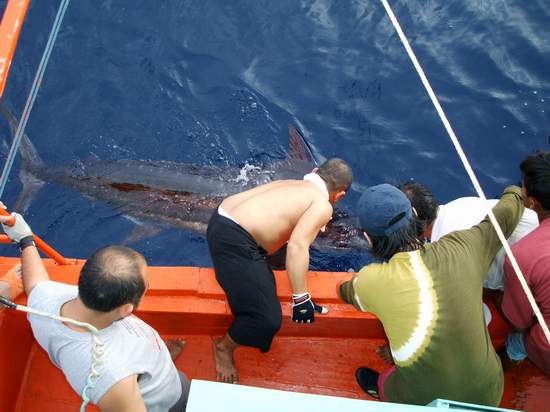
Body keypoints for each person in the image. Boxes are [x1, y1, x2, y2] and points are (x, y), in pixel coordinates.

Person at [338, 183, 524, 406]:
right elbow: (506, 214)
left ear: (368, 239)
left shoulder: (371, 281)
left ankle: (383, 390)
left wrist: (348, 284)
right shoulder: (463, 246)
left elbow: (345, 290)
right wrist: (515, 190)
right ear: (415, 215)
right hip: (490, 391)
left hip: (428, 399)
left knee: (389, 381)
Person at [0, 206, 189, 412]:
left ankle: (149, 366)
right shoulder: (114, 378)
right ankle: (148, 373)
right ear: (126, 309)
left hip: (148, 368)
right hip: (165, 400)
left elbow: (35, 282)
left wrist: (25, 239)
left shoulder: (45, 300)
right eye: (146, 287)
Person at [207, 158, 352, 383]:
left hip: (221, 216)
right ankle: (223, 348)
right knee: (267, 319)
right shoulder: (323, 206)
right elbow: (297, 246)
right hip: (234, 241)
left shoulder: (293, 184)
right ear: (340, 195)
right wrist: (301, 298)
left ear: (314, 172)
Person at [399, 181, 538, 290]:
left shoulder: (443, 254)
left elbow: (490, 283)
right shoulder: (461, 203)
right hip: (541, 227)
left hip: (536, 270)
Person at [497, 151, 550, 376]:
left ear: (531, 202)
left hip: (546, 344)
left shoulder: (523, 255)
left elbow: (519, 321)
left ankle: (498, 373)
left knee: (516, 340)